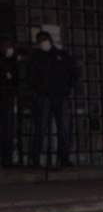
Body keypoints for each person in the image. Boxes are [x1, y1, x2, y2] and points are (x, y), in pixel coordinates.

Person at [26, 30, 79, 168]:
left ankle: (63, 158)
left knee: (64, 129)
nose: (44, 42)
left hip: (61, 96)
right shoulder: (36, 57)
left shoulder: (61, 55)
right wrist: (39, 90)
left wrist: (68, 87)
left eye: (45, 39)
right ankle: (35, 158)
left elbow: (74, 71)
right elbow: (30, 77)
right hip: (45, 97)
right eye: (41, 40)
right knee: (40, 128)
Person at [0, 36, 19, 168]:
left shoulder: (13, 61)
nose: (8, 48)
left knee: (9, 130)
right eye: (6, 45)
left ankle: (8, 159)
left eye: (10, 45)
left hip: (8, 98)